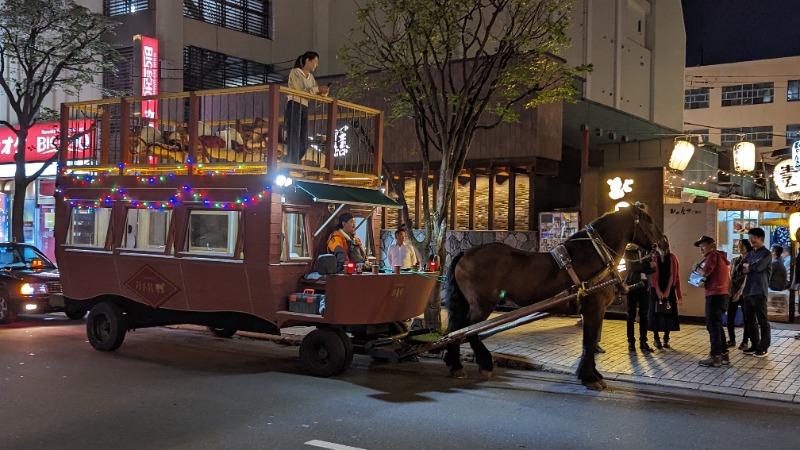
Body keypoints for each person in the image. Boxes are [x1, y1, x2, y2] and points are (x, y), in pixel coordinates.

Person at [285, 51, 329, 164]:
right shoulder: (295, 72)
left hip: (304, 106)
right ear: (307, 61)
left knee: (303, 140)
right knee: (294, 136)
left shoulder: (311, 77)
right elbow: (301, 91)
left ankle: (292, 162)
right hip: (294, 104)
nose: (316, 65)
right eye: (315, 62)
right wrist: (317, 89)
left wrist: (323, 91)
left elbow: (314, 91)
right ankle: (291, 163)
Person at [694, 236, 731, 367]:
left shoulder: (712, 256)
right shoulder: (721, 257)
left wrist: (697, 268)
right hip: (722, 294)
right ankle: (724, 354)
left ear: (712, 246)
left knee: (712, 326)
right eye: (700, 247)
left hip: (714, 296)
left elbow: (705, 273)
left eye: (703, 246)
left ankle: (715, 357)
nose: (701, 249)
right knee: (717, 325)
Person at [738, 227, 772, 357]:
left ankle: (764, 347)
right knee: (750, 320)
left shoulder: (766, 254)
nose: (751, 240)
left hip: (759, 291)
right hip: (748, 291)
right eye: (749, 238)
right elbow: (739, 267)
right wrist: (746, 266)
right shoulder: (751, 253)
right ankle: (754, 344)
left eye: (753, 238)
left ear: (761, 239)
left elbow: (758, 267)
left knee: (762, 320)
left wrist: (748, 266)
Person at [648, 236, 681, 349]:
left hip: (668, 286)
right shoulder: (653, 257)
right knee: (655, 314)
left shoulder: (672, 257)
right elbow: (652, 275)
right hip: (655, 287)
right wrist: (657, 290)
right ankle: (656, 339)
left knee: (668, 313)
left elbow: (673, 274)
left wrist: (667, 291)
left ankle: (666, 338)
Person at [624, 244, 655, 352]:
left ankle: (643, 342)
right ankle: (631, 342)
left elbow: (653, 269)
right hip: (632, 284)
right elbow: (631, 267)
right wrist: (647, 267)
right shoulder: (628, 251)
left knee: (644, 314)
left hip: (645, 285)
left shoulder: (647, 251)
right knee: (631, 314)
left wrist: (648, 267)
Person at [728, 239, 753, 349]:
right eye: (739, 245)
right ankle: (732, 339)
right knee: (730, 317)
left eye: (742, 245)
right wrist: (730, 290)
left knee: (746, 317)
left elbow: (747, 278)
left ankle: (745, 341)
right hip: (733, 291)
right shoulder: (734, 260)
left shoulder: (750, 261)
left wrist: (739, 292)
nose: (740, 247)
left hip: (745, 292)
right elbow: (730, 276)